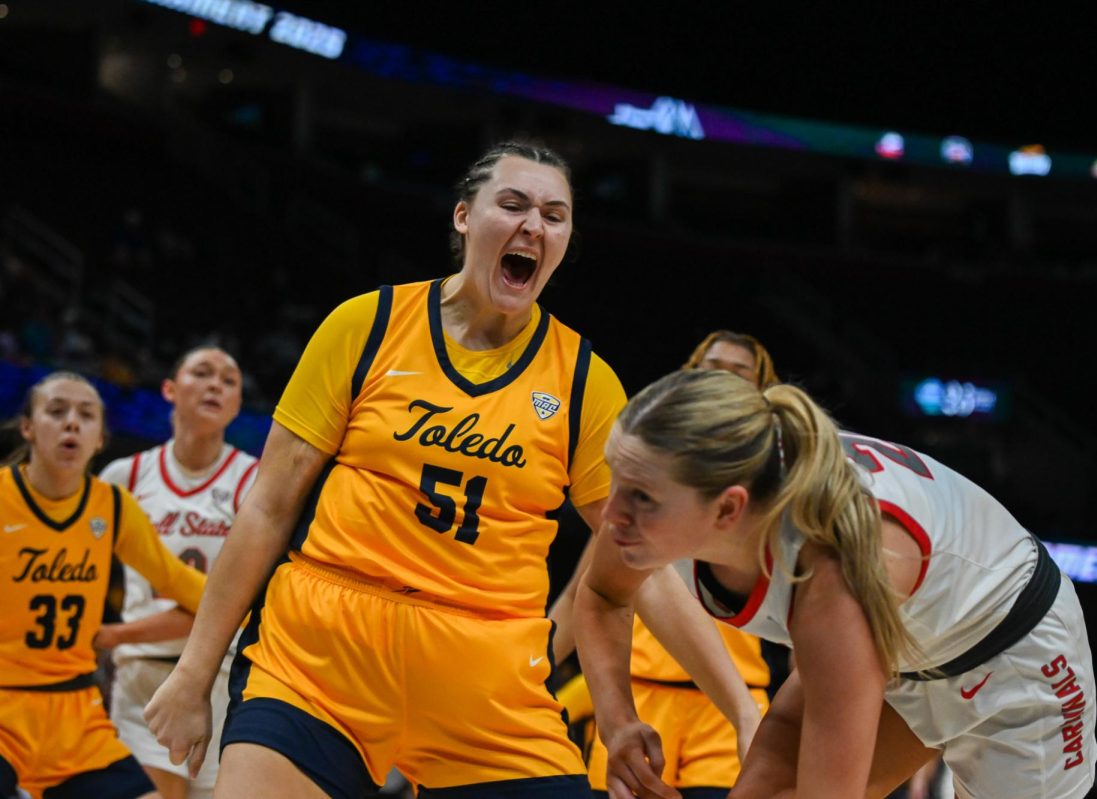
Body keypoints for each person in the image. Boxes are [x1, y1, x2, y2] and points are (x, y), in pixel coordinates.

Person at [143, 141, 739, 799]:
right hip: (322, 658)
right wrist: (193, 672)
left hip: (488, 676)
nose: (533, 226)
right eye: (512, 204)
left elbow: (639, 566)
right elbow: (267, 507)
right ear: (463, 217)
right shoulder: (365, 325)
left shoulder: (585, 382)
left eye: (554, 214)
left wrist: (744, 712)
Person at [575, 368, 1097, 799]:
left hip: (1018, 659)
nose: (613, 512)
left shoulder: (831, 569)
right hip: (904, 648)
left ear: (728, 508)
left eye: (642, 496)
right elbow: (602, 595)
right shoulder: (669, 504)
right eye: (615, 476)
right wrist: (618, 723)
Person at [562, 330, 783, 798]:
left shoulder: (780, 495)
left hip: (727, 708)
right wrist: (526, 668)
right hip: (640, 691)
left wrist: (761, 715)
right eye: (709, 367)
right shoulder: (642, 489)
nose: (718, 379)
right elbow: (588, 594)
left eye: (736, 373)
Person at [0, 371, 207, 799]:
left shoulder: (112, 506)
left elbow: (187, 590)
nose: (71, 422)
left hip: (76, 719)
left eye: (86, 415)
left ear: (99, 438)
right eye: (56, 412)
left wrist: (256, 598)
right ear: (28, 427)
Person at [96, 347, 258, 799]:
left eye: (229, 381)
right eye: (202, 373)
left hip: (223, 679)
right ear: (169, 389)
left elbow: (240, 603)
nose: (215, 385)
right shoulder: (123, 476)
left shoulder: (255, 483)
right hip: (140, 682)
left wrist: (112, 635)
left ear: (238, 404)